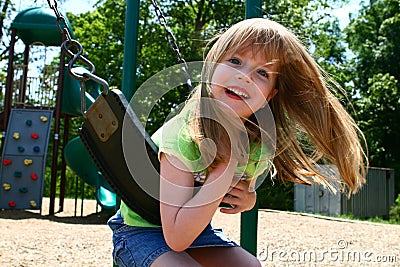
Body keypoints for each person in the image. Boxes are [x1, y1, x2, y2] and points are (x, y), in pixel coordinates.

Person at [108, 18, 367, 267]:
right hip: (141, 231)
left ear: (269, 95)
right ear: (212, 65)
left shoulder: (258, 146)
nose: (244, 77)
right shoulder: (183, 137)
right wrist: (225, 166)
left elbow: (242, 192)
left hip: (197, 232)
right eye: (234, 61)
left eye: (262, 73)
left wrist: (248, 199)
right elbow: (176, 237)